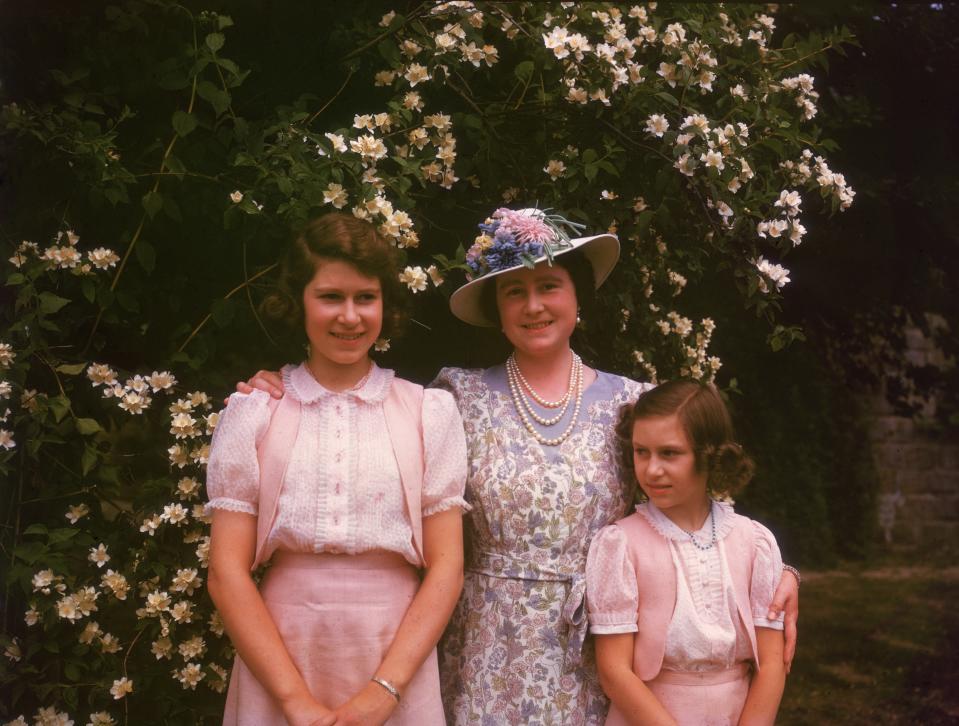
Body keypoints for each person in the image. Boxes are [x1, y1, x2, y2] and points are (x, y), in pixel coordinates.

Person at [237, 207, 800, 725]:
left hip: (602, 644)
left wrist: (780, 576)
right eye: (514, 292)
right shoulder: (456, 397)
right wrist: (280, 389)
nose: (533, 306)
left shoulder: (633, 402)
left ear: (577, 296)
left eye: (549, 286)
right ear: (496, 311)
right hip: (484, 645)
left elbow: (694, 510)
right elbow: (366, 429)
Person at [207, 212, 468, 726]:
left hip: (395, 652)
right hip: (281, 651)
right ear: (298, 303)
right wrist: (294, 702)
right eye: (330, 296)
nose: (349, 316)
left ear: (385, 306)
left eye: (365, 298)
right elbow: (226, 572)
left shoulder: (426, 413)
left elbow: (447, 568)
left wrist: (382, 695)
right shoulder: (256, 412)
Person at [586, 380, 786, 726]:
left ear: (710, 454)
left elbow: (771, 663)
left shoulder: (753, 542)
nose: (652, 470)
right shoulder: (621, 544)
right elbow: (615, 670)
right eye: (641, 452)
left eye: (670, 453)